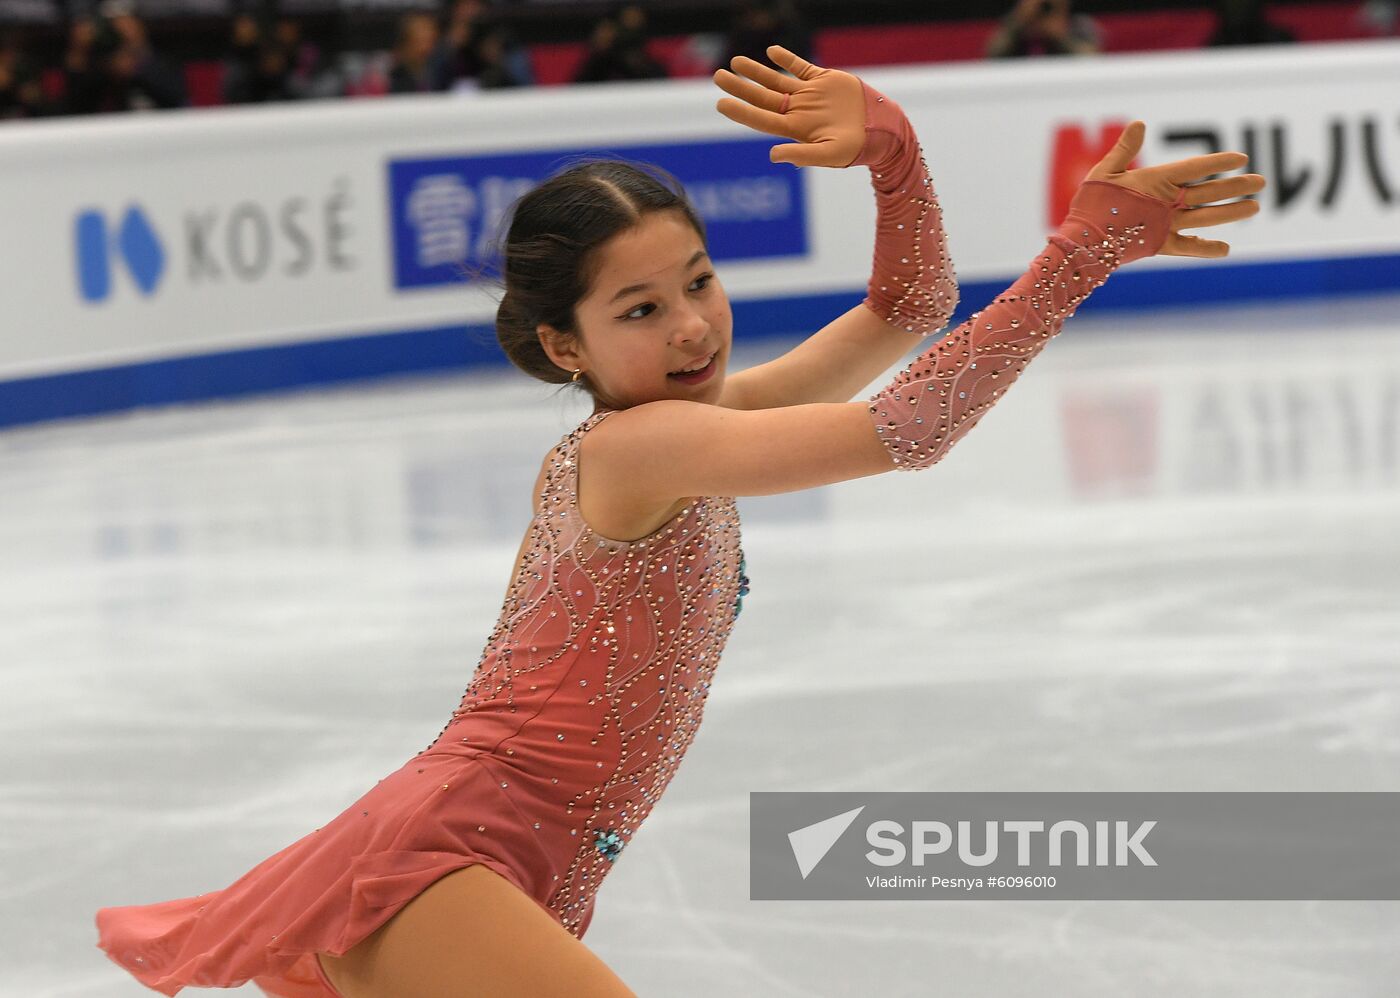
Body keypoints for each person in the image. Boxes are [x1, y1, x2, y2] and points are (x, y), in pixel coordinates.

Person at [93, 45, 1262, 997]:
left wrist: (893, 150)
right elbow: (907, 429)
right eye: (640, 308)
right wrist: (1075, 257)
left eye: (697, 281)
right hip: (448, 857)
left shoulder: (702, 419)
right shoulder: (643, 444)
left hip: (523, 861)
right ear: (566, 347)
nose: (693, 326)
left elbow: (908, 308)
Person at [986, 0, 1102, 58]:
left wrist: (1060, 36)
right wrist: (1018, 21)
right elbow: (992, 54)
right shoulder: (1015, 26)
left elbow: (1093, 59)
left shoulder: (1079, 24)